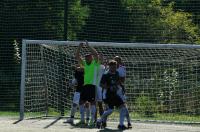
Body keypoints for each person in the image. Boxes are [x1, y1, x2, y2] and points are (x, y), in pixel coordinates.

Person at [96, 60, 127, 130]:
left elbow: (118, 81)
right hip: (107, 94)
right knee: (110, 110)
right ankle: (100, 120)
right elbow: (100, 84)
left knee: (123, 107)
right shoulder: (106, 75)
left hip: (114, 94)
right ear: (109, 67)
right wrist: (109, 87)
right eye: (112, 67)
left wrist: (122, 87)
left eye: (115, 67)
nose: (114, 68)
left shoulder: (116, 73)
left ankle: (121, 125)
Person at [76, 41, 99, 127]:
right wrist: (79, 46)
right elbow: (77, 56)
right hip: (85, 86)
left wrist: (88, 46)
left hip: (92, 86)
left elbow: (96, 54)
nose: (87, 58)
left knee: (92, 102)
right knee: (81, 102)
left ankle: (92, 121)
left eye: (88, 57)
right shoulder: (84, 64)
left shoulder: (95, 63)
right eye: (86, 57)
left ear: (92, 58)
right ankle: (82, 120)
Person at [114, 56, 132, 128]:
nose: (116, 62)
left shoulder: (122, 68)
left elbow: (122, 80)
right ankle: (103, 122)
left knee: (124, 107)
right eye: (115, 60)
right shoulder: (110, 68)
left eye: (118, 60)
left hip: (119, 90)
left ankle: (128, 122)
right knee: (109, 107)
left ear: (120, 61)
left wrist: (116, 80)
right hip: (111, 90)